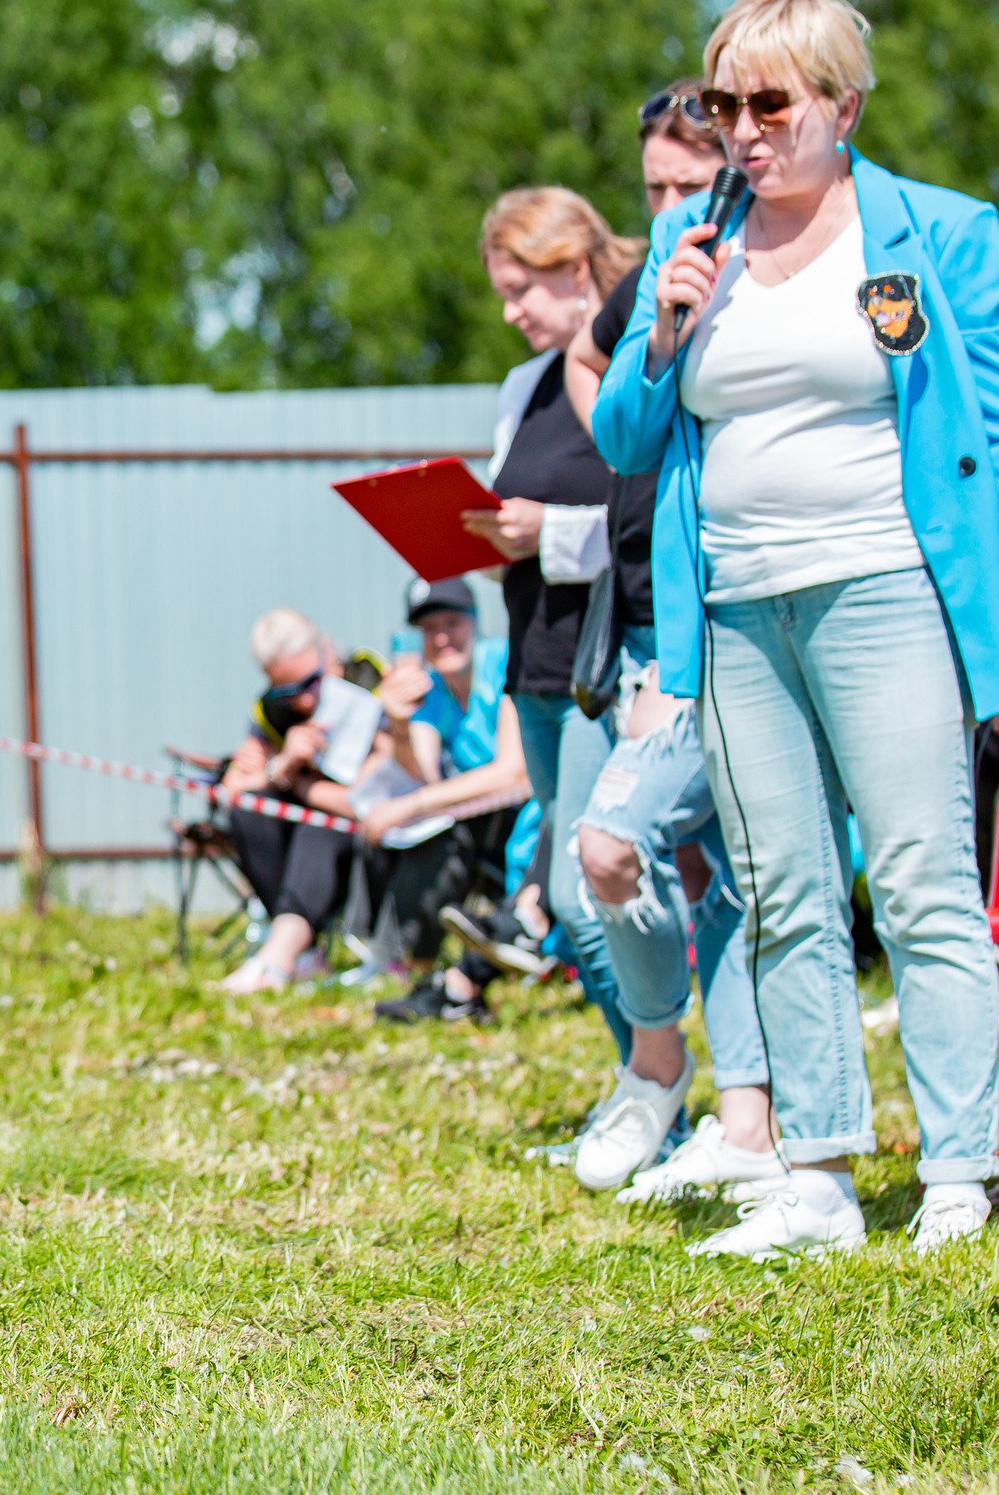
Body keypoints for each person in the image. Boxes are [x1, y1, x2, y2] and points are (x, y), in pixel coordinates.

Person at [593, 0, 999, 1260]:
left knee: (917, 883)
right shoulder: (692, 246)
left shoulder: (938, 233)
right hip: (736, 611)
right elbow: (628, 438)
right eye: (723, 103)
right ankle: (822, 1181)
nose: (743, 130)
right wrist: (666, 329)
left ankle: (959, 1169)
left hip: (888, 591)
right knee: (781, 890)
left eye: (770, 103)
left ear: (840, 106)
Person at [555, 83, 777, 1198]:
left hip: (740, 619)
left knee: (737, 878)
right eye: (651, 188)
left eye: (686, 184)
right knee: (606, 855)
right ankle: (666, 1071)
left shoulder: (772, 265)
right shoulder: (664, 267)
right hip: (648, 626)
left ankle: (742, 1116)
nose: (667, 205)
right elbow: (615, 408)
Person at [457, 188, 644, 1055]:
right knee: (579, 899)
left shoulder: (625, 366)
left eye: (521, 287)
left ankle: (659, 1080)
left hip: (601, 669)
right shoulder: (522, 384)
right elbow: (513, 504)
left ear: (575, 271)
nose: (509, 310)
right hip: (531, 662)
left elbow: (647, 512)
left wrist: (551, 532)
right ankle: (641, 1084)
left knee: (580, 895)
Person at [361, 579, 531, 1023]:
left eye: (452, 622)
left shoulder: (508, 663)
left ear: (475, 622)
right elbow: (426, 773)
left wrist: (411, 806)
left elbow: (513, 771)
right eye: (429, 627)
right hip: (481, 821)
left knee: (432, 829)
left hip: (532, 817)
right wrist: (398, 724)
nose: (441, 637)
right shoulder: (434, 691)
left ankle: (444, 974)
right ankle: (423, 969)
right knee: (428, 841)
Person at [215, 610, 387, 993]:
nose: (305, 700)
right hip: (302, 843)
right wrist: (285, 764)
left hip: (367, 839)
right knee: (251, 809)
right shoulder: (271, 711)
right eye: (288, 691)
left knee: (319, 821)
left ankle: (277, 960)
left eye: (312, 682)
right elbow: (234, 790)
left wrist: (303, 787)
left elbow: (366, 800)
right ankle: (299, 951)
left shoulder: (372, 680)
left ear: (327, 650)